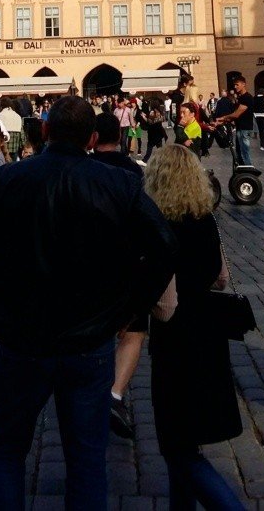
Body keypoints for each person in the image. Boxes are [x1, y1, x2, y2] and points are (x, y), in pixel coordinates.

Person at [0, 96, 176, 511]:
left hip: (22, 339)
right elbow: (163, 248)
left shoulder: (6, 180)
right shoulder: (120, 184)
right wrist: (128, 309)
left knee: (6, 451)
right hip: (89, 342)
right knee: (87, 460)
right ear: (92, 138)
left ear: (46, 132)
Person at [144, 144, 246, 510]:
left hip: (177, 340)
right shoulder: (206, 218)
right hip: (210, 335)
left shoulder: (161, 226)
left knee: (177, 446)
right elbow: (221, 277)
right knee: (186, 441)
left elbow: (166, 306)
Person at [89, 112, 146, 441]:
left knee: (95, 333)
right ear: (121, 137)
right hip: (127, 265)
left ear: (93, 138)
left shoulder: (85, 169)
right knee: (133, 332)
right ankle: (114, 394)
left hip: (92, 265)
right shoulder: (133, 172)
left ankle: (90, 390)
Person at [217, 74, 254, 166]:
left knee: (244, 152)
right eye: (234, 85)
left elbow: (237, 114)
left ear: (243, 84)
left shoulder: (247, 97)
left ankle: (249, 172)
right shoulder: (240, 98)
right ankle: (242, 170)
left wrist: (224, 117)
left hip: (245, 128)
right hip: (240, 127)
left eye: (237, 84)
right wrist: (224, 120)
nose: (235, 87)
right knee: (239, 152)